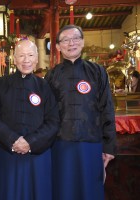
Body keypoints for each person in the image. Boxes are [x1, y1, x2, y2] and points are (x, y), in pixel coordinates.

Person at [45, 25, 117, 200]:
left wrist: (109, 146)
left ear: (83, 42)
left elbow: (107, 108)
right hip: (61, 144)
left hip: (91, 143)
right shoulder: (52, 75)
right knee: (63, 191)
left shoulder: (97, 72)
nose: (71, 43)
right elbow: (46, 114)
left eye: (76, 38)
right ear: (57, 46)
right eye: (66, 40)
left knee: (90, 191)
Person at [0, 39, 60, 200]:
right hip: (8, 154)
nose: (26, 60)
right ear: (14, 58)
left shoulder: (44, 86)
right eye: (21, 56)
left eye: (30, 55)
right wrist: (14, 140)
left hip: (37, 154)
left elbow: (53, 121)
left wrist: (30, 142)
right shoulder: (0, 84)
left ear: (36, 58)